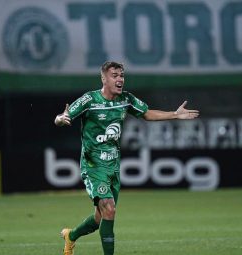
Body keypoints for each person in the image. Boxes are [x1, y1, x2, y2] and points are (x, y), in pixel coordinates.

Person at [54, 61, 199, 255]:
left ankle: (71, 236)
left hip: (113, 166)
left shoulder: (126, 99)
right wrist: (60, 119)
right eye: (114, 75)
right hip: (93, 165)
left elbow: (147, 114)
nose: (120, 79)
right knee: (110, 209)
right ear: (103, 78)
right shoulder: (89, 100)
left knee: (100, 218)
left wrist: (174, 114)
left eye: (122, 75)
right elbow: (63, 116)